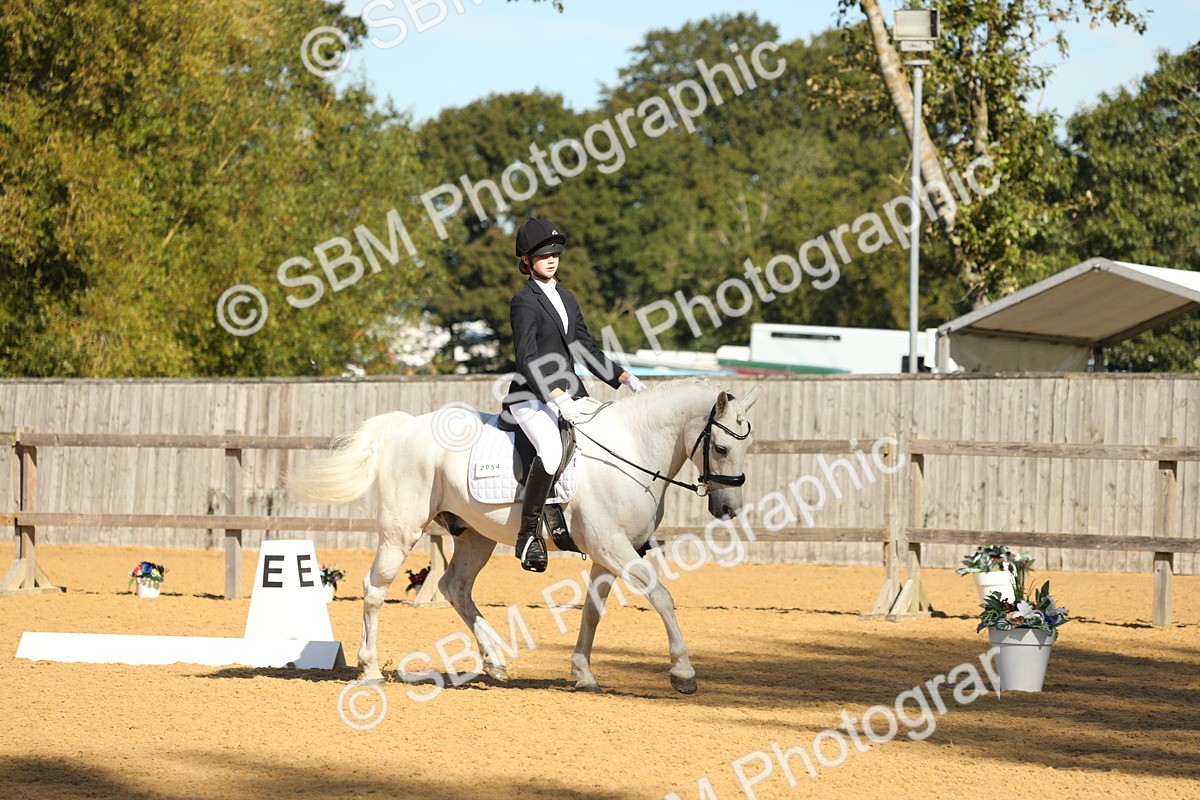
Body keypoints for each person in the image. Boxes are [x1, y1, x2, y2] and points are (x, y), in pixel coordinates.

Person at [502, 218, 644, 572]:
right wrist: (554, 396)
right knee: (551, 450)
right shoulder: (524, 301)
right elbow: (527, 358)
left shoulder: (566, 298)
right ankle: (528, 536)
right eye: (543, 254)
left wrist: (625, 378)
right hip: (531, 397)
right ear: (526, 259)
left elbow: (585, 348)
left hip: (571, 394)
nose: (551, 259)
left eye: (555, 253)